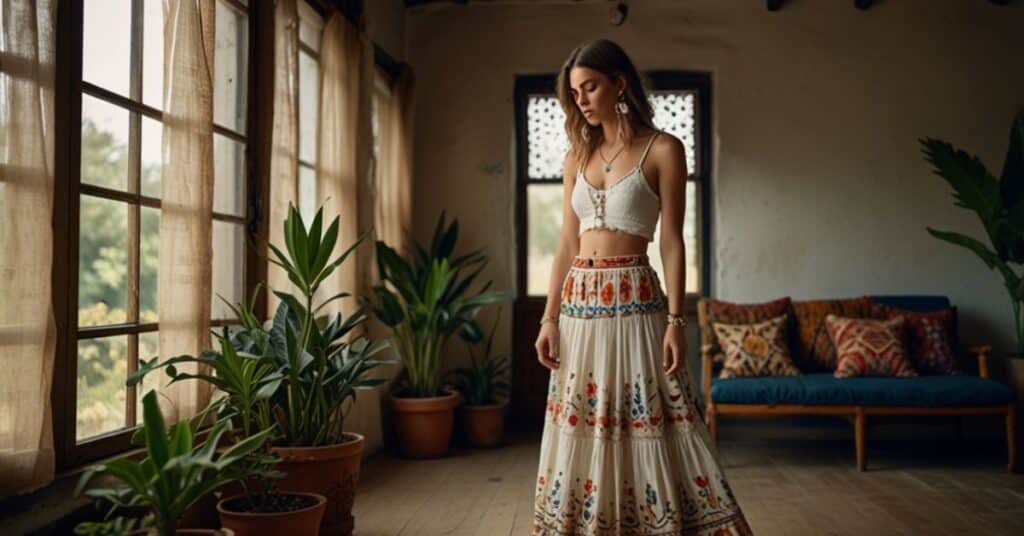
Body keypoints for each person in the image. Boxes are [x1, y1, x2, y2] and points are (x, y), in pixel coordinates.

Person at [531, 39, 753, 536]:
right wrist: (548, 318)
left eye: (590, 86)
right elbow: (566, 245)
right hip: (578, 310)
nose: (582, 99)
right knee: (585, 427)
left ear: (619, 84)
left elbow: (673, 243)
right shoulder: (576, 157)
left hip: (637, 301)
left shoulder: (664, 149)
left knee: (659, 419)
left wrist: (678, 321)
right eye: (574, 91)